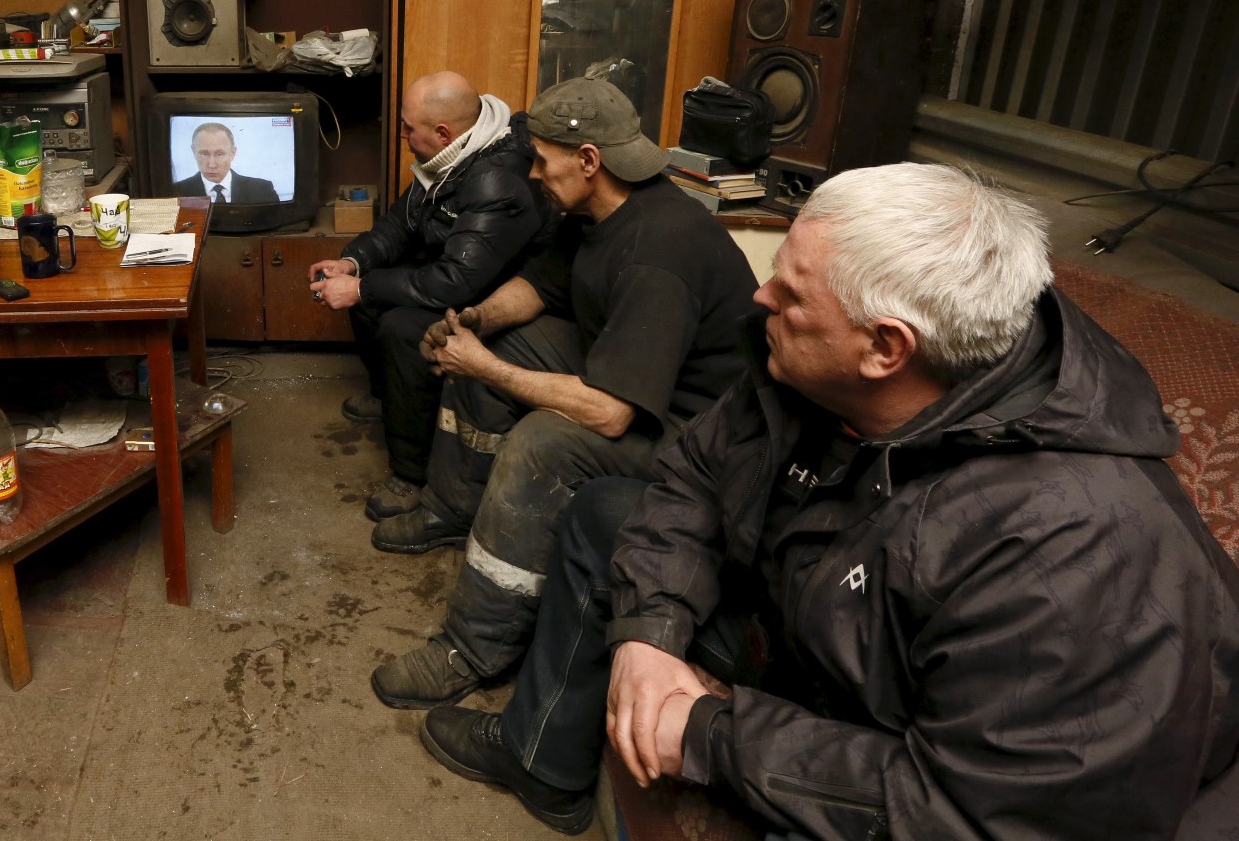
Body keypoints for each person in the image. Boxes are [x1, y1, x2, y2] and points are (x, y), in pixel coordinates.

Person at [416, 162, 1239, 837]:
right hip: (816, 623)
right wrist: (650, 633)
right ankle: (542, 763)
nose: (761, 298)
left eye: (791, 292)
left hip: (913, 735)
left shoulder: (1078, 555)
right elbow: (693, 474)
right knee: (606, 514)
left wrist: (711, 734)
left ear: (885, 348)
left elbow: (971, 813)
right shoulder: (808, 368)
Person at [368, 76, 760, 712]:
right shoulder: (595, 210)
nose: (531, 174)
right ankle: (452, 507)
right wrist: (475, 323)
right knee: (499, 345)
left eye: (542, 161)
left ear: (588, 160)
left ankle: (474, 646)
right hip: (637, 383)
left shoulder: (659, 250)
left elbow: (610, 413)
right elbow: (539, 288)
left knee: (542, 443)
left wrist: (484, 368)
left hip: (695, 439)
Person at [308, 71, 547, 520]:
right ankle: (387, 395)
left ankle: (411, 475)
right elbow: (399, 224)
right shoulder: (450, 155)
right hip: (456, 274)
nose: (402, 135)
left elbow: (458, 282)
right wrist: (354, 264)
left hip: (493, 295)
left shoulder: (495, 180)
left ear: (443, 133)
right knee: (370, 286)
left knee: (401, 327)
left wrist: (359, 289)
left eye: (407, 128)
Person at [173, 122, 278, 203]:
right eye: (204, 154)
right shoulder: (175, 191)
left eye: (219, 154)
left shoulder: (262, 190)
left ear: (233, 153)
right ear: (193, 152)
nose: (212, 165)